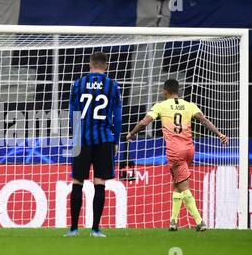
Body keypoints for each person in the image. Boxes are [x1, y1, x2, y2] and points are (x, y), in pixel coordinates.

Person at [126, 79, 228, 231]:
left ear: (165, 91)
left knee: (184, 187)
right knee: (177, 184)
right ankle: (173, 221)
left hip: (175, 151)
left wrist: (132, 133)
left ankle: (200, 222)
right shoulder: (189, 105)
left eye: (162, 91)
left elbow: (144, 122)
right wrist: (219, 133)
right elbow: (204, 120)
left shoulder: (161, 106)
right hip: (189, 149)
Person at [65, 52, 122, 238]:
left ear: (90, 64)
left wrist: (76, 136)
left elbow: (73, 114)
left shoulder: (78, 84)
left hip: (81, 138)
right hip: (105, 138)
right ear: (105, 66)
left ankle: (73, 229)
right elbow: (118, 117)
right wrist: (116, 140)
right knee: (100, 183)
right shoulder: (113, 86)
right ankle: (95, 229)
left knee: (77, 182)